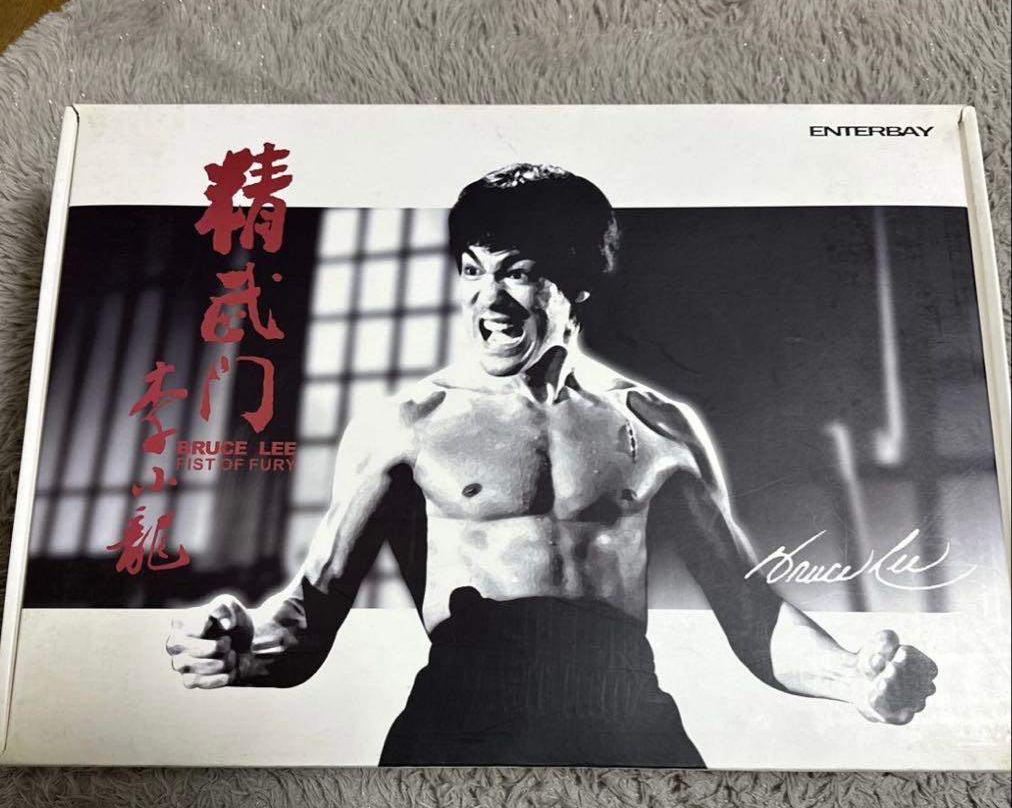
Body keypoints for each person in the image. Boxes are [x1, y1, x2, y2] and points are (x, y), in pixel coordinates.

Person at [165, 163, 938, 767]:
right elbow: (311, 610)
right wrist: (242, 649)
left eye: (518, 271)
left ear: (576, 283)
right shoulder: (409, 426)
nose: (487, 299)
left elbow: (750, 611)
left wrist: (856, 679)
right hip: (463, 713)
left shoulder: (656, 427)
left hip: (622, 708)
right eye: (472, 269)